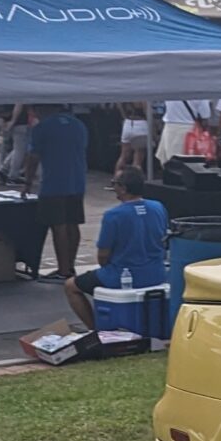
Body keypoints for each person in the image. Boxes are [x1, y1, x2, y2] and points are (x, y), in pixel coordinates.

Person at [66, 165, 167, 332]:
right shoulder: (158, 207)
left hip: (122, 276)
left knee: (71, 286)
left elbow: (103, 256)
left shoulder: (113, 216)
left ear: (123, 188)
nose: (113, 187)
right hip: (156, 273)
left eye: (114, 183)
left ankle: (95, 330)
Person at [27, 102, 92, 282]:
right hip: (77, 181)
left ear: (41, 108)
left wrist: (27, 182)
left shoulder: (41, 128)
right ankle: (70, 267)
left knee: (59, 226)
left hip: (53, 183)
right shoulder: (79, 125)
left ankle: (63, 270)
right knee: (73, 223)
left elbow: (33, 157)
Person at [116, 103, 151, 179]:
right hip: (141, 124)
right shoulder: (142, 96)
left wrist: (124, 117)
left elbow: (119, 106)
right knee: (138, 157)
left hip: (128, 123)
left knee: (123, 155)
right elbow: (147, 113)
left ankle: (116, 179)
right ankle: (133, 181)